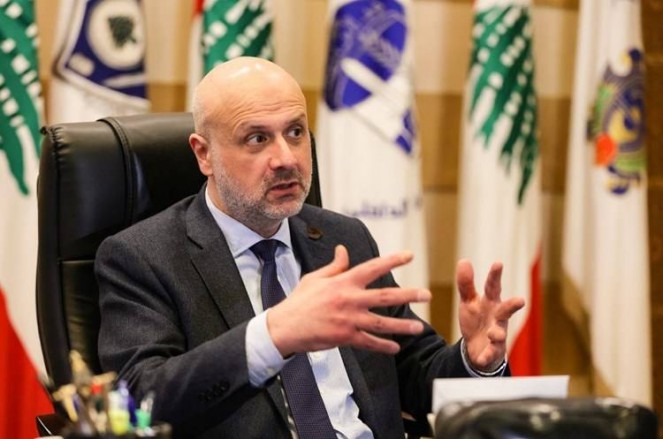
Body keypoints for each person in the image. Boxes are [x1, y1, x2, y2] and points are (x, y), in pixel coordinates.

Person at [96, 57, 524, 438]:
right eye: (257, 138)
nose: (287, 158)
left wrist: (474, 361)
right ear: (204, 154)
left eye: (296, 132)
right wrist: (273, 335)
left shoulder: (344, 239)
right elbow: (139, 403)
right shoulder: (143, 257)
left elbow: (414, 369)